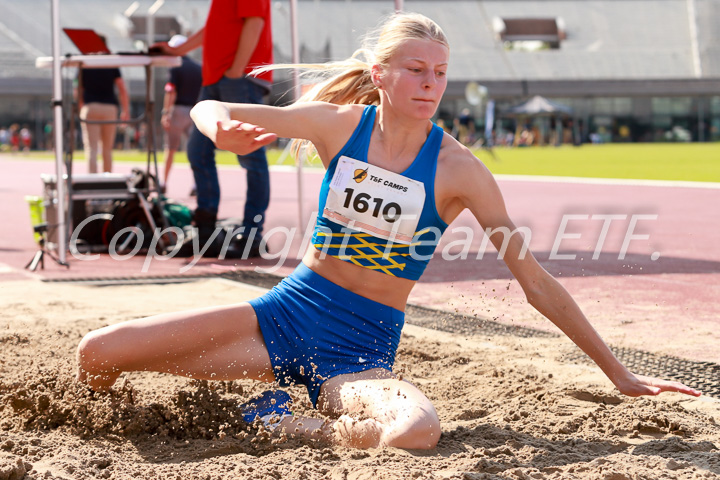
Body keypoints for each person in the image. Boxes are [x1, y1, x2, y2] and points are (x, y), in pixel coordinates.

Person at [77, 12, 701, 451]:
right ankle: (162, 428)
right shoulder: (337, 124)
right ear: (381, 74)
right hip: (284, 317)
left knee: (416, 432)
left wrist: (619, 374)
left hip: (360, 350)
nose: (430, 85)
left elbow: (534, 282)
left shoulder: (460, 171)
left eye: (439, 73)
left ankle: (289, 424)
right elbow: (216, 106)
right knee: (97, 353)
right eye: (415, 71)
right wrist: (217, 129)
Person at [154, 0, 273, 258]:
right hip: (216, 78)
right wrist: (180, 50)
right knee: (197, 150)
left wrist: (235, 71)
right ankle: (205, 231)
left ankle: (252, 235)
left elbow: (255, 22)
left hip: (237, 78)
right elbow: (213, 28)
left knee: (251, 156)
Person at [74, 39, 130, 173]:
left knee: (91, 148)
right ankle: (107, 180)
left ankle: (92, 182)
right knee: (107, 149)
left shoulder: (85, 61)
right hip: (109, 108)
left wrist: (80, 107)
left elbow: (77, 88)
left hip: (91, 107)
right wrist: (125, 110)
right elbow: (122, 87)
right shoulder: (110, 62)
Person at [159, 34, 203, 193]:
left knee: (170, 148)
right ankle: (196, 184)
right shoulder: (199, 67)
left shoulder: (175, 66)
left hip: (178, 110)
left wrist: (166, 112)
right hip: (195, 111)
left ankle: (164, 182)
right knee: (193, 150)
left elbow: (171, 90)